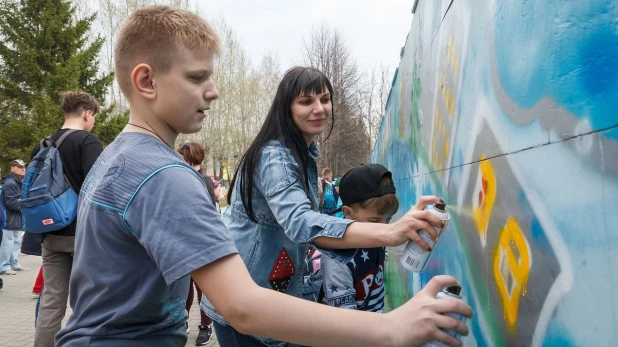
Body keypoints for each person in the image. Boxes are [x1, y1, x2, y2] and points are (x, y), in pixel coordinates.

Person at [55, 6, 472, 347]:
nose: (214, 91)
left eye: (324, 99)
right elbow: (243, 305)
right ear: (146, 81)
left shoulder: (118, 156)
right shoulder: (167, 176)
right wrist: (390, 327)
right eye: (198, 77)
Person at [201, 65, 464, 347]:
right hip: (248, 307)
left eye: (325, 99)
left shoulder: (301, 154)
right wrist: (391, 233)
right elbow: (301, 223)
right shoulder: (275, 156)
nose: (319, 108)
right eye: (305, 101)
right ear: (285, 108)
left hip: (274, 300)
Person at [32, 91, 104, 347]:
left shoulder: (42, 145)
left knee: (51, 302)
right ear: (87, 113)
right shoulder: (88, 141)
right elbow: (96, 191)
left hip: (50, 234)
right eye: (93, 116)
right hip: (81, 235)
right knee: (87, 303)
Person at [321, 164, 398, 312]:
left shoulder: (377, 237)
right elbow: (345, 320)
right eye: (375, 221)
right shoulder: (336, 257)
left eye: (388, 219)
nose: (385, 228)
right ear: (348, 213)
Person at [177, 141, 215, 345]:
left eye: (183, 159)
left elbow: (207, 214)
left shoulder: (203, 181)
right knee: (184, 287)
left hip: (201, 243)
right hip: (181, 242)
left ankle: (206, 325)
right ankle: (182, 321)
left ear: (193, 160)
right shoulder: (180, 178)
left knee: (202, 287)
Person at [0, 159, 28, 275]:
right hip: (9, 219)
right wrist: (26, 204)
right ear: (12, 168)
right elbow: (11, 202)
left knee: (16, 242)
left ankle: (14, 264)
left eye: (24, 167)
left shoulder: (18, 182)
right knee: (7, 244)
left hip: (16, 219)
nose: (23, 169)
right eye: (20, 167)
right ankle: (4, 267)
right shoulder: (10, 183)